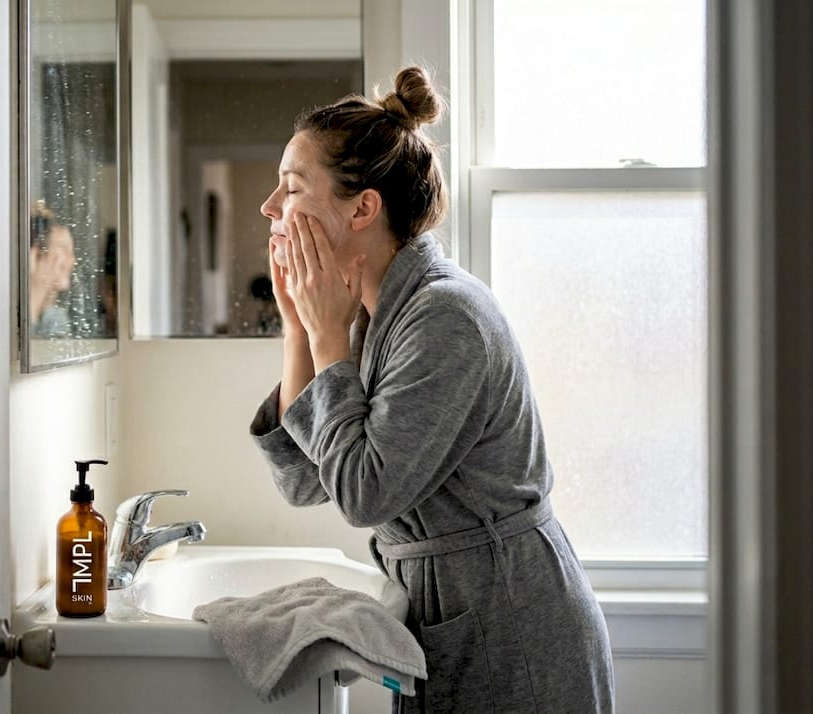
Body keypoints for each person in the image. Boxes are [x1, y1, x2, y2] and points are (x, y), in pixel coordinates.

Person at [248, 66, 615, 713]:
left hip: (513, 631)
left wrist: (327, 336)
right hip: (452, 613)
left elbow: (365, 493)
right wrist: (299, 330)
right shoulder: (372, 316)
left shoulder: (446, 317)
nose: (270, 208)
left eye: (292, 186)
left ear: (363, 207)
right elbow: (306, 480)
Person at [28, 200, 76, 338]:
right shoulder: (5, 312)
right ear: (35, 255)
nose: (73, 260)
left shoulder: (56, 317)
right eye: (64, 249)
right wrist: (37, 289)